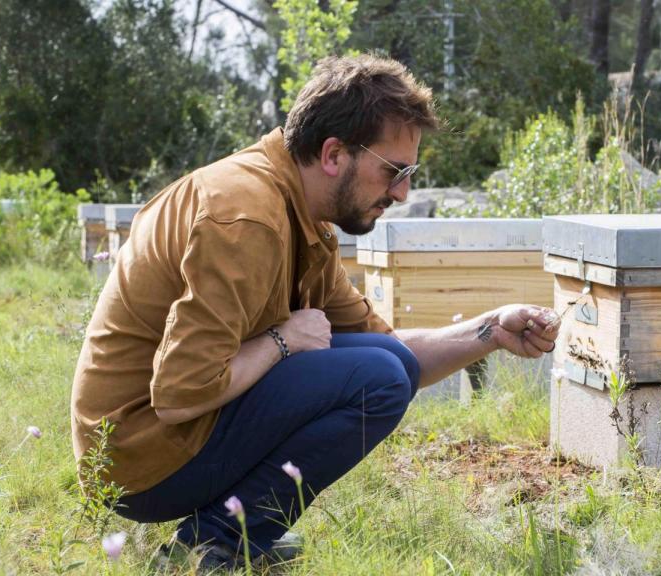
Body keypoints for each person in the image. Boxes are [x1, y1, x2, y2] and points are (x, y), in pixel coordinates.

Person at [69, 54, 559, 571]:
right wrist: (280, 341)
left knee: (384, 362)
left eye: (409, 173)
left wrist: (489, 331)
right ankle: (213, 544)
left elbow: (395, 356)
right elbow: (178, 394)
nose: (403, 192)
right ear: (333, 154)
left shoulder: (297, 211)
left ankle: (230, 532)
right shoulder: (247, 219)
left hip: (166, 439)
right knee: (377, 375)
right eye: (393, 171)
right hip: (135, 460)